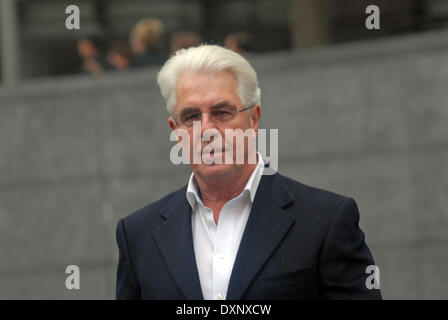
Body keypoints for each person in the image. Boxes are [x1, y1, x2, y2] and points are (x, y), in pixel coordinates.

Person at [115, 44, 382, 300]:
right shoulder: (138, 234)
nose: (206, 130)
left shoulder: (325, 221)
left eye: (222, 112)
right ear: (176, 130)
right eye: (192, 117)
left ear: (253, 119)